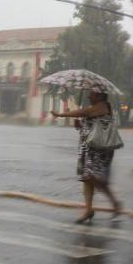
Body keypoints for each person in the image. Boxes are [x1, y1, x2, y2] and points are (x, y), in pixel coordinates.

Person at [51, 91, 122, 223]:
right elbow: (89, 124)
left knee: (95, 178)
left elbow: (83, 112)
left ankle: (115, 203)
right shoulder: (94, 109)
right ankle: (88, 209)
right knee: (87, 178)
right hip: (89, 148)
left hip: (100, 151)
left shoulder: (102, 106)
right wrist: (80, 126)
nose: (89, 96)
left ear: (100, 96)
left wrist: (61, 114)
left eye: (92, 95)